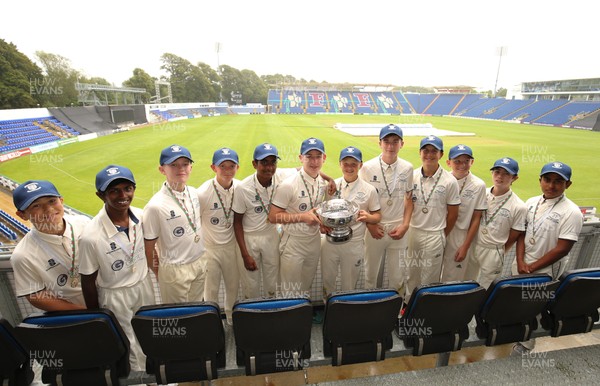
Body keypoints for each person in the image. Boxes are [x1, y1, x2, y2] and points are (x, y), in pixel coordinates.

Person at [79, 165, 155, 372]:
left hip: (143, 285)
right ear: (101, 195)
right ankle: (139, 380)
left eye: (127, 188)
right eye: (114, 191)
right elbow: (87, 281)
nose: (123, 195)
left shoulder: (141, 216)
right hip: (115, 294)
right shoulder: (90, 236)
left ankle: (157, 374)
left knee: (150, 333)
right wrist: (97, 316)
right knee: (129, 342)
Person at [513, 161, 583, 354]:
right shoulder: (531, 202)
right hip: (522, 264)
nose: (551, 186)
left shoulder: (572, 212)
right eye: (547, 180)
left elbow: (563, 249)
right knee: (518, 302)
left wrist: (532, 266)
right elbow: (521, 233)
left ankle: (525, 346)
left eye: (558, 182)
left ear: (567, 184)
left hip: (545, 269)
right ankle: (514, 333)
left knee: (534, 307)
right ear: (540, 180)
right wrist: (520, 261)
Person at [10, 180, 90, 311]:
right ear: (22, 215)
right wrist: (86, 313)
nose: (48, 210)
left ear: (61, 200)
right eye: (36, 206)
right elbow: (36, 296)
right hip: (80, 317)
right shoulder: (22, 255)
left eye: (52, 201)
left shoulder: (84, 223)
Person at [142, 145, 206, 303]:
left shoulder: (194, 193)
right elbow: (148, 248)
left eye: (185, 164)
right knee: (179, 316)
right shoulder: (155, 206)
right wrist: (160, 273)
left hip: (199, 262)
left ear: (191, 167)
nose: (181, 169)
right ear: (162, 169)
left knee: (197, 310)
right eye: (173, 165)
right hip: (175, 269)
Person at [232, 143, 297, 299]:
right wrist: (244, 254)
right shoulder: (243, 188)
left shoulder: (280, 176)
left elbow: (305, 170)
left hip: (271, 235)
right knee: (251, 283)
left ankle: (272, 313)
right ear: (255, 164)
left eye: (272, 162)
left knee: (272, 281)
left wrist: (329, 179)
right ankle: (253, 317)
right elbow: (237, 222)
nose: (269, 167)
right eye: (264, 162)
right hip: (250, 238)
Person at [358, 124, 414, 295]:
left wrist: (405, 225)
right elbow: (362, 201)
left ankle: (395, 313)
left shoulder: (408, 168)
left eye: (395, 142)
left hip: (398, 229)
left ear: (401, 144)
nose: (390, 146)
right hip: (376, 228)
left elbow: (409, 199)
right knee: (370, 274)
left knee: (397, 276)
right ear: (379, 143)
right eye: (386, 141)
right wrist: (370, 225)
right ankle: (370, 306)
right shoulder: (367, 167)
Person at [269, 137, 328, 297]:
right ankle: (289, 321)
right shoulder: (288, 185)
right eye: (309, 156)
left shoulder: (323, 183)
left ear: (324, 158)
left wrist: (322, 222)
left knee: (305, 287)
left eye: (318, 156)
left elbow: (315, 210)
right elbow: (273, 217)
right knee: (290, 291)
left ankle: (302, 318)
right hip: (293, 243)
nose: (314, 161)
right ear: (301, 158)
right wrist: (302, 217)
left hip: (314, 241)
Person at [321, 146, 381, 296]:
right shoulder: (331, 186)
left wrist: (369, 217)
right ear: (340, 164)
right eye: (345, 163)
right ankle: (328, 309)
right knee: (328, 280)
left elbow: (377, 216)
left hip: (353, 243)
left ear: (360, 165)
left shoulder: (369, 189)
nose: (349, 168)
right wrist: (322, 224)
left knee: (350, 284)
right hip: (330, 242)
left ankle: (347, 314)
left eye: (353, 164)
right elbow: (321, 211)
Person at [406, 135, 460, 297]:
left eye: (434, 151)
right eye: (426, 150)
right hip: (413, 232)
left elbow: (453, 214)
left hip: (435, 234)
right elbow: (407, 205)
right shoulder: (412, 176)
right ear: (420, 153)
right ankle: (408, 307)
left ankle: (426, 310)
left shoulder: (449, 181)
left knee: (430, 277)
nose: (429, 154)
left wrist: (440, 234)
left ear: (441, 154)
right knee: (411, 273)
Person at [464, 157, 527, 289]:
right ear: (492, 173)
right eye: (497, 172)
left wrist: (499, 249)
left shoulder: (519, 206)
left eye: (506, 174)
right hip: (473, 244)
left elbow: (515, 235)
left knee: (486, 287)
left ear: (514, 178)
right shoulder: (481, 192)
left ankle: (481, 310)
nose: (500, 177)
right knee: (466, 281)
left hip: (494, 250)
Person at [198, 148, 241, 324]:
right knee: (211, 290)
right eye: (222, 166)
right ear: (213, 167)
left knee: (233, 287)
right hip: (210, 249)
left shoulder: (240, 188)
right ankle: (212, 322)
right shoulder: (202, 193)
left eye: (231, 166)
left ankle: (231, 319)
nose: (227, 170)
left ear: (237, 167)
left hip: (232, 247)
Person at [440, 145, 487, 282]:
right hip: (439, 231)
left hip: (460, 235)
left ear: (472, 162)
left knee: (452, 278)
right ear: (448, 162)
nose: (462, 165)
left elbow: (476, 218)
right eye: (457, 161)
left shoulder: (478, 185)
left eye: (466, 161)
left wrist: (465, 246)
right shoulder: (443, 180)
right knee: (433, 272)